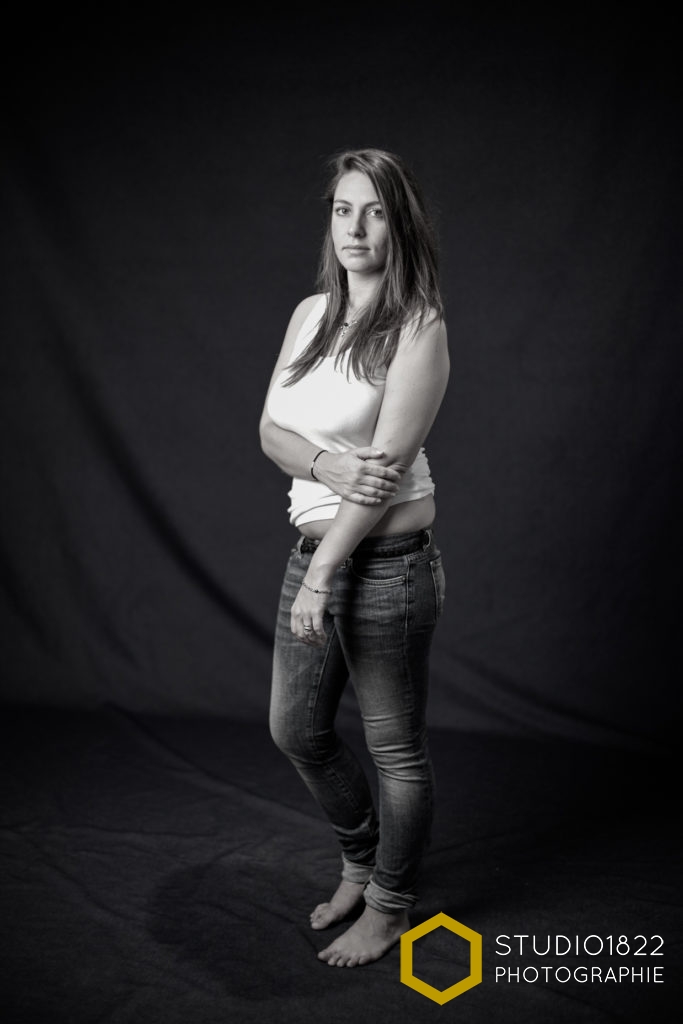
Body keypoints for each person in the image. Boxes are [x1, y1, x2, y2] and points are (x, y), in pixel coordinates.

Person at [260, 148, 449, 968]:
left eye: (372, 211)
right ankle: (359, 860)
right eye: (342, 210)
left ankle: (390, 903)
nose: (355, 228)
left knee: (393, 747)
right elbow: (269, 432)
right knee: (296, 728)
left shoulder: (418, 326)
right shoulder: (308, 314)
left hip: (386, 562)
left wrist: (331, 566)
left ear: (396, 222)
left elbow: (384, 471)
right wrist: (322, 463)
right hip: (313, 550)